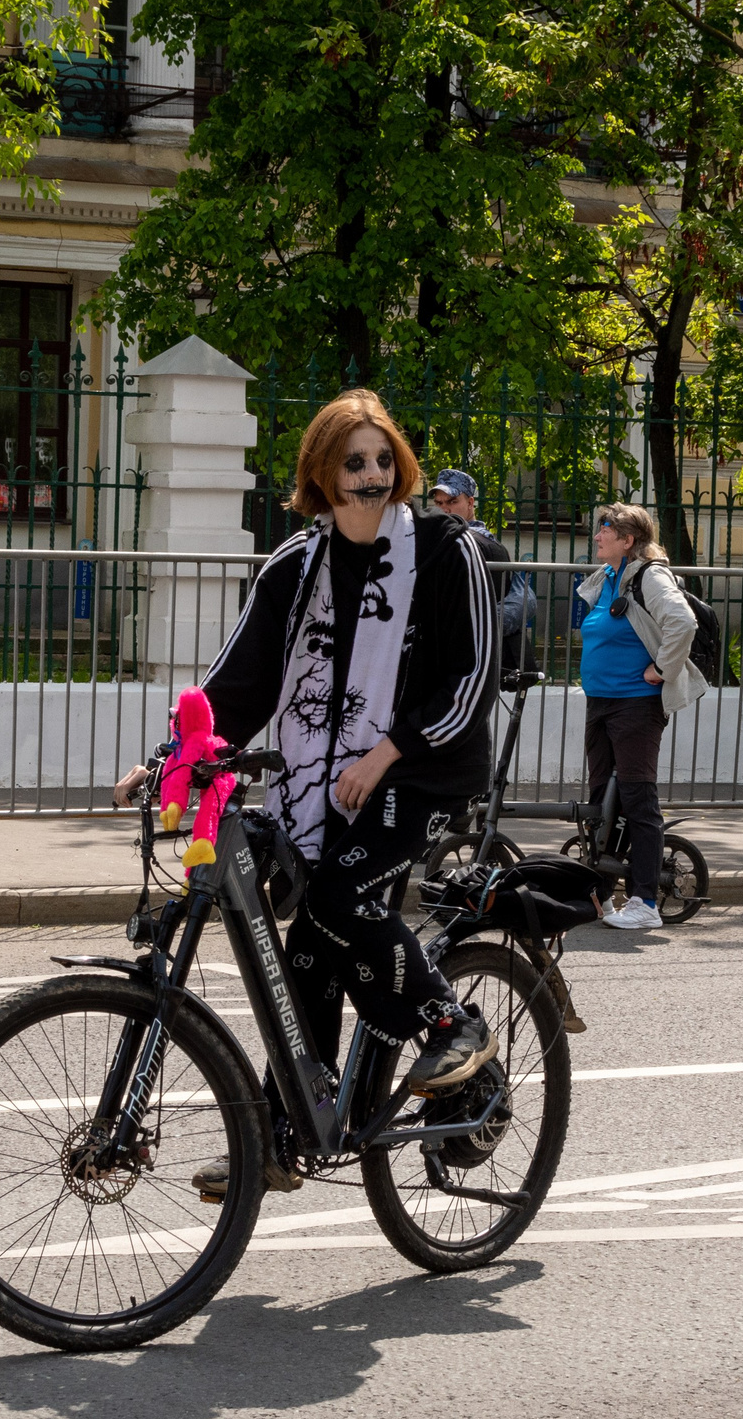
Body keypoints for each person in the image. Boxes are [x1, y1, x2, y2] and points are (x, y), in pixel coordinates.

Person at [113, 388, 498, 1197]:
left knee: (335, 902)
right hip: (324, 784)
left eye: (383, 458)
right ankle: (283, 1136)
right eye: (353, 461)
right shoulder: (298, 564)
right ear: (321, 475)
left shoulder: (443, 547)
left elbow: (472, 679)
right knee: (309, 958)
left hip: (424, 768)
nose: (371, 474)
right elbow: (234, 686)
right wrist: (167, 763)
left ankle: (451, 1024)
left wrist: (387, 752)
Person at [570, 503, 703, 931]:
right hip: (602, 702)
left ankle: (645, 901)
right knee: (602, 804)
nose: (597, 536)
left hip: (635, 705)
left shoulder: (651, 574)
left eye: (605, 529)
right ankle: (603, 897)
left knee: (637, 799)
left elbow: (682, 622)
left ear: (628, 540)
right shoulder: (608, 578)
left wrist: (662, 670)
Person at [429, 468, 536, 673]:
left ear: (470, 503)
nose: (445, 510)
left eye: (452, 502)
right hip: (481, 649)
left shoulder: (461, 541)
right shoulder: (491, 541)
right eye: (439, 503)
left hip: (462, 650)